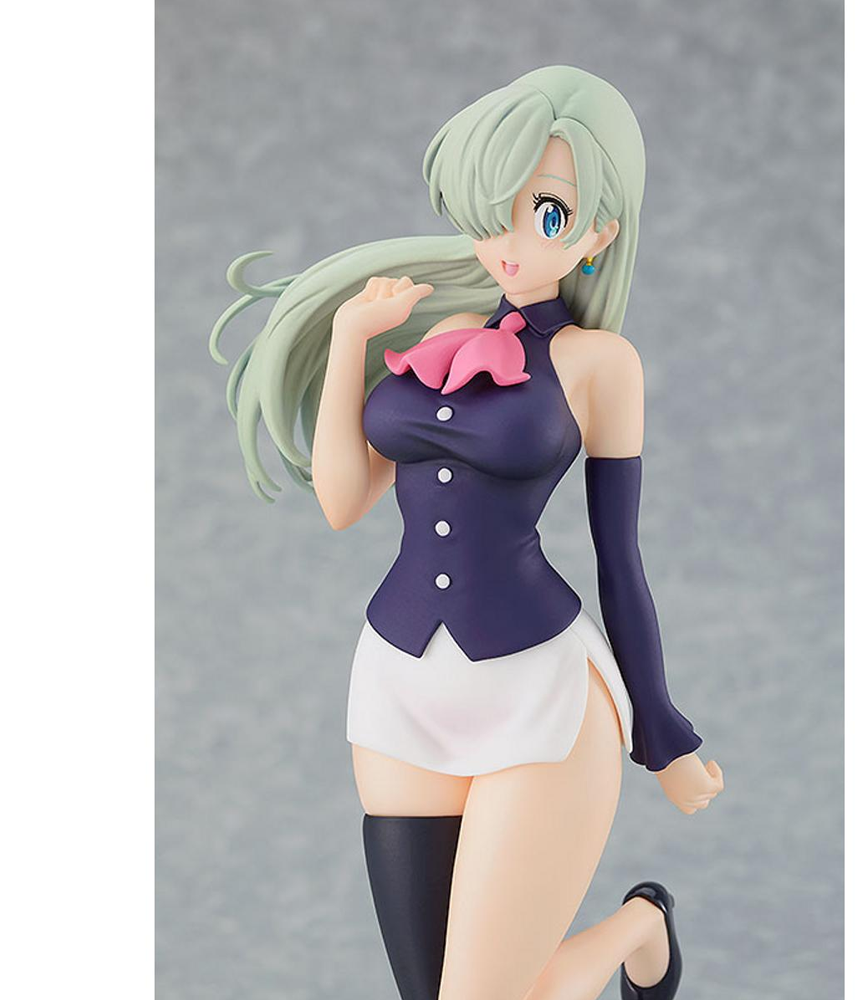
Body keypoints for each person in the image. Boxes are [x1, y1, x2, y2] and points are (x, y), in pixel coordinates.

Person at [211, 65, 724, 1000]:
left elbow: (621, 560)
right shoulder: (434, 335)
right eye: (495, 210)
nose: (511, 241)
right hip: (400, 682)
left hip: (539, 693)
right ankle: (639, 927)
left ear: (600, 233)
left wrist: (663, 733)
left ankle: (641, 925)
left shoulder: (601, 365)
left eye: (549, 214)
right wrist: (348, 343)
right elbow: (342, 503)